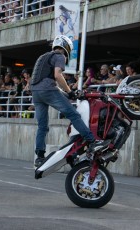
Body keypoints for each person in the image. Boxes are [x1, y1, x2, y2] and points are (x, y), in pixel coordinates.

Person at [30, 35, 107, 167]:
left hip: (35, 93)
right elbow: (57, 75)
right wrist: (70, 91)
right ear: (66, 48)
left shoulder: (42, 57)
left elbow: (46, 81)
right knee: (73, 115)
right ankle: (92, 141)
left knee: (42, 126)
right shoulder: (60, 56)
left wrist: (67, 94)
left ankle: (39, 157)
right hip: (48, 90)